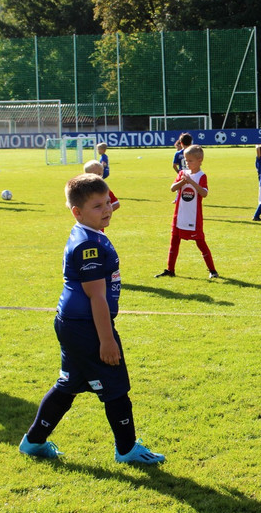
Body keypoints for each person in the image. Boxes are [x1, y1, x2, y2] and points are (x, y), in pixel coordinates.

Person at [19, 173, 165, 464]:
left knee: (69, 384)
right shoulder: (89, 245)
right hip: (87, 327)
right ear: (77, 212)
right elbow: (96, 296)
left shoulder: (88, 231)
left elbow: (97, 292)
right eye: (98, 206)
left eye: (108, 202)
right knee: (115, 387)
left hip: (74, 323)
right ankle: (127, 449)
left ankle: (33, 442)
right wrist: (107, 340)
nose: (107, 209)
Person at [155, 145, 218, 279]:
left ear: (200, 160)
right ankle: (170, 270)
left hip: (193, 217)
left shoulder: (201, 176)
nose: (187, 163)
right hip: (179, 215)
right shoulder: (182, 173)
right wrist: (182, 182)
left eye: (190, 160)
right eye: (186, 160)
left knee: (201, 243)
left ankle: (213, 270)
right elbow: (172, 188)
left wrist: (191, 182)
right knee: (174, 242)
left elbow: (204, 193)